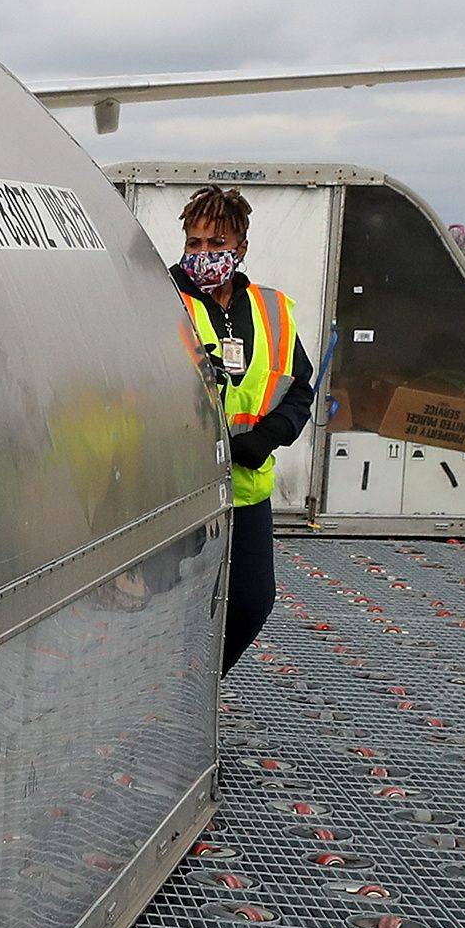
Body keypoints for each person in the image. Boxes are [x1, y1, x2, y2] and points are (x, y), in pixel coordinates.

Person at [174, 185, 310, 673]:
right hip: (179, 490)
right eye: (194, 244)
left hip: (246, 487)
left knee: (252, 602)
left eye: (216, 245)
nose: (204, 255)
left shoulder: (270, 310)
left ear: (241, 248)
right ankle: (168, 697)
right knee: (172, 608)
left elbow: (299, 389)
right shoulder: (162, 301)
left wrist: (266, 437)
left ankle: (199, 687)